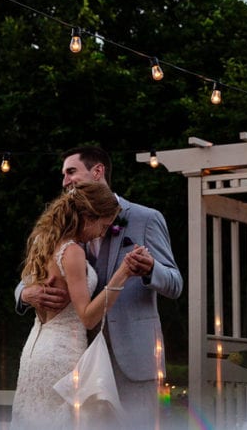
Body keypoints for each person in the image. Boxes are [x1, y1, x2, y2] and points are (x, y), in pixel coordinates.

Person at [15, 146, 183, 427]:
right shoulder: (68, 225)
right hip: (77, 358)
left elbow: (175, 283)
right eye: (63, 174)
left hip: (133, 361)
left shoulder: (146, 218)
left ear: (98, 171)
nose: (65, 181)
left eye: (71, 172)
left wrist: (151, 269)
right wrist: (25, 294)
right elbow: (30, 276)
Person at [11, 180, 149, 428]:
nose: (103, 233)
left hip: (35, 349)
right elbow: (87, 316)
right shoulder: (72, 251)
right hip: (62, 355)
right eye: (104, 225)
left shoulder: (43, 242)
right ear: (88, 216)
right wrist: (123, 273)